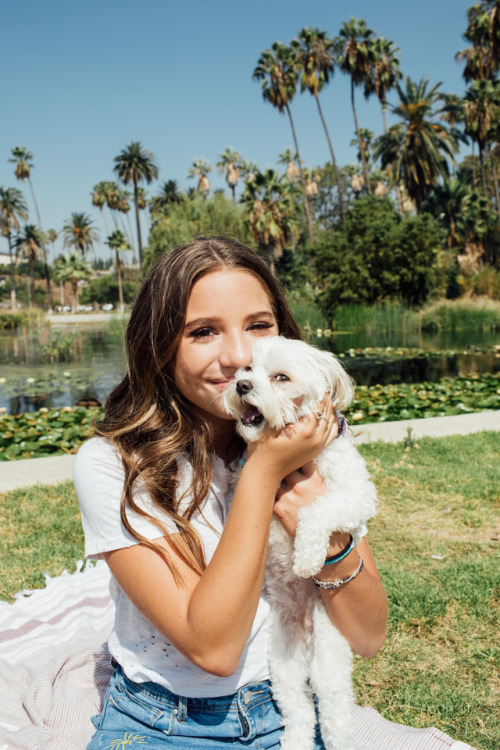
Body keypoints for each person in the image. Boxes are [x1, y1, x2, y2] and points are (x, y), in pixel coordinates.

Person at [74, 236, 388, 749]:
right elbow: (214, 648)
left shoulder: (316, 453)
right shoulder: (115, 465)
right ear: (160, 346)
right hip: (167, 724)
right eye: (203, 332)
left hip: (290, 710)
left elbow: (368, 635)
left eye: (259, 325)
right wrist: (264, 473)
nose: (240, 356)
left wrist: (324, 535)